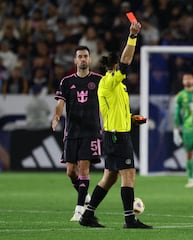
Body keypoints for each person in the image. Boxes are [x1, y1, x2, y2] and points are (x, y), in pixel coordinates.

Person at [79, 21, 152, 229]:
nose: (124, 70)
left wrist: (132, 120)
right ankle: (130, 219)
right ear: (114, 67)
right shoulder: (109, 80)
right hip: (117, 136)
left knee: (110, 177)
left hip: (116, 133)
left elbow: (116, 112)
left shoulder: (117, 86)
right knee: (128, 173)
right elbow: (127, 60)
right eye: (120, 67)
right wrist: (133, 36)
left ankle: (87, 216)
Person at [51, 45, 103, 221]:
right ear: (75, 60)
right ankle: (85, 195)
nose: (82, 59)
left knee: (83, 168)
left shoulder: (99, 80)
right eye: (79, 56)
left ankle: (79, 209)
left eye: (85, 56)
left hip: (91, 131)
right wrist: (56, 117)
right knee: (70, 171)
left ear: (90, 59)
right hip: (72, 132)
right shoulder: (66, 81)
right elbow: (60, 103)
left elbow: (106, 103)